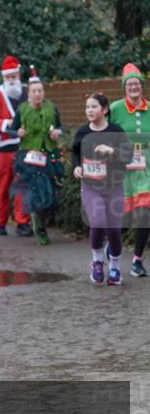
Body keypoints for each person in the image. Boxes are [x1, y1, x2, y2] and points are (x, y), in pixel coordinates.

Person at [73, 92, 132, 285]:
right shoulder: (82, 132)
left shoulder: (116, 130)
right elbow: (75, 153)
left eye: (94, 107)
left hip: (113, 186)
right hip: (91, 186)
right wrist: (77, 166)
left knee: (114, 230)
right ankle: (97, 262)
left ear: (104, 110)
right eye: (87, 107)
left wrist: (112, 151)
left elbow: (129, 155)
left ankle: (114, 266)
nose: (89, 110)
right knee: (97, 222)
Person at [10, 67, 63, 245]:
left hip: (49, 155)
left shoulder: (52, 108)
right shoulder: (22, 109)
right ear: (29, 93)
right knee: (39, 193)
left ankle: (39, 220)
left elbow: (60, 127)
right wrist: (18, 132)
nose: (38, 94)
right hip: (29, 158)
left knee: (51, 195)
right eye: (34, 91)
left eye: (40, 91)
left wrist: (57, 132)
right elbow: (11, 130)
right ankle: (40, 227)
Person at [109, 63, 149, 278]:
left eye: (137, 84)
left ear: (142, 87)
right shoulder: (115, 109)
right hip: (122, 170)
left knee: (145, 213)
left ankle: (137, 260)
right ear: (125, 88)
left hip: (146, 170)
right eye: (129, 84)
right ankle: (113, 245)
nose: (134, 88)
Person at [0, 55, 33, 237]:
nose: (11, 80)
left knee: (23, 185)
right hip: (4, 147)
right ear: (4, 78)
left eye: (14, 76)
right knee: (4, 186)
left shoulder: (26, 91)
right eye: (8, 77)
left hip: (24, 146)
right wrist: (7, 124)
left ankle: (22, 222)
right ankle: (1, 221)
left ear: (18, 75)